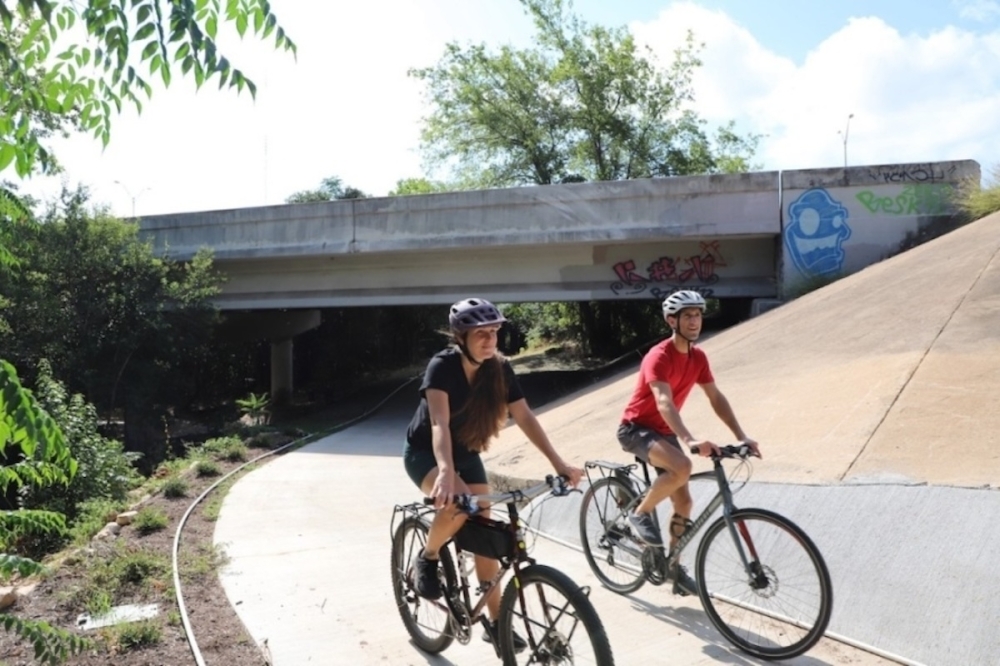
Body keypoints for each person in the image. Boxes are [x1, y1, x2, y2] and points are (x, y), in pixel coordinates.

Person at [403, 297, 584, 649]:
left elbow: (526, 416)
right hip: (426, 453)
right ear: (461, 337)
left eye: (494, 332)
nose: (489, 340)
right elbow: (439, 423)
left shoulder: (499, 369)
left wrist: (558, 464)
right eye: (480, 334)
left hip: (467, 455)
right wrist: (444, 472)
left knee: (484, 528)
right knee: (457, 506)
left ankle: (497, 623)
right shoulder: (442, 367)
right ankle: (427, 557)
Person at [617, 290, 760, 596]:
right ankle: (639, 513)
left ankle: (672, 567)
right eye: (688, 316)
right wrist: (690, 439)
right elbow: (664, 401)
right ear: (672, 320)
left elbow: (715, 397)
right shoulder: (659, 356)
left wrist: (740, 436)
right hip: (635, 428)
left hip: (663, 432)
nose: (695, 321)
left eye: (698, 315)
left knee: (684, 502)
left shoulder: (698, 357)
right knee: (682, 465)